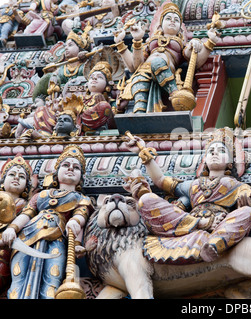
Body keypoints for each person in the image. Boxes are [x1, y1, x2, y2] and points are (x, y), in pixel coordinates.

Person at [124, 127, 251, 263]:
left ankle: (215, 245)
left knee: (246, 213)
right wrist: (143, 151)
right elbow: (160, 180)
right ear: (204, 160)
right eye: (210, 151)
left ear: (230, 162)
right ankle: (201, 224)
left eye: (221, 151)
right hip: (189, 222)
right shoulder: (193, 185)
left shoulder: (237, 186)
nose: (214, 153)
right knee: (146, 199)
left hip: (219, 224)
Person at [1, 145, 93, 299]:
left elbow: (81, 216)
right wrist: (12, 229)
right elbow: (27, 213)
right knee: (19, 279)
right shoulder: (42, 195)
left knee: (52, 280)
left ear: (80, 178)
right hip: (26, 238)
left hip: (56, 241)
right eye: (66, 165)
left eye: (76, 168)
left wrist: (76, 231)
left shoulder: (81, 199)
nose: (70, 168)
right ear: (56, 174)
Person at [114, 1, 219, 113]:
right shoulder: (150, 42)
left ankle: (174, 93)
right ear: (160, 25)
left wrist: (210, 42)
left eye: (176, 20)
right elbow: (134, 66)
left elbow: (195, 61)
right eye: (168, 18)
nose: (172, 21)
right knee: (139, 98)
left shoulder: (182, 44)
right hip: (143, 71)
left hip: (165, 72)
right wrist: (134, 40)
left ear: (180, 29)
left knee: (157, 63)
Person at [0, 155, 33, 293]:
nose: (16, 178)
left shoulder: (26, 206)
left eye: (21, 177)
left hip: (6, 249)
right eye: (12, 174)